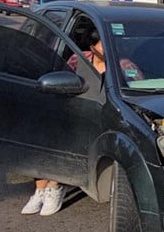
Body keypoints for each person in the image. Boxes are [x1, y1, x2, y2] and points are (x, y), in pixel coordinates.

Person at [21, 30, 106, 216]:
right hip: (69, 107)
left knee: (71, 139)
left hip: (96, 114)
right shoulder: (79, 59)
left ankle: (56, 185)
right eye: (101, 43)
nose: (104, 48)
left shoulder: (121, 63)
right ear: (94, 44)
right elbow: (60, 77)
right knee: (44, 137)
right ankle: (40, 189)